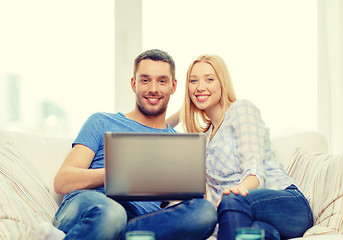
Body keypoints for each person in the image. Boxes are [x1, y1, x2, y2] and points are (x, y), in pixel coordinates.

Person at [33, 49, 217, 240]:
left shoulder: (177, 145)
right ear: (133, 83)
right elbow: (63, 181)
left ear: (173, 86)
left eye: (162, 81)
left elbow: (183, 206)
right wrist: (119, 173)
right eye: (145, 80)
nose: (153, 88)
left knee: (205, 211)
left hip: (141, 220)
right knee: (113, 213)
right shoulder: (101, 121)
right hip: (94, 206)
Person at [168, 54, 313, 240]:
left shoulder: (241, 109)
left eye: (209, 79)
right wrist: (186, 107)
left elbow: (255, 174)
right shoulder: (204, 139)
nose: (200, 86)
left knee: (231, 201)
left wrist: (234, 195)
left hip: (288, 206)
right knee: (259, 232)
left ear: (223, 83)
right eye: (193, 81)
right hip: (244, 215)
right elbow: (158, 133)